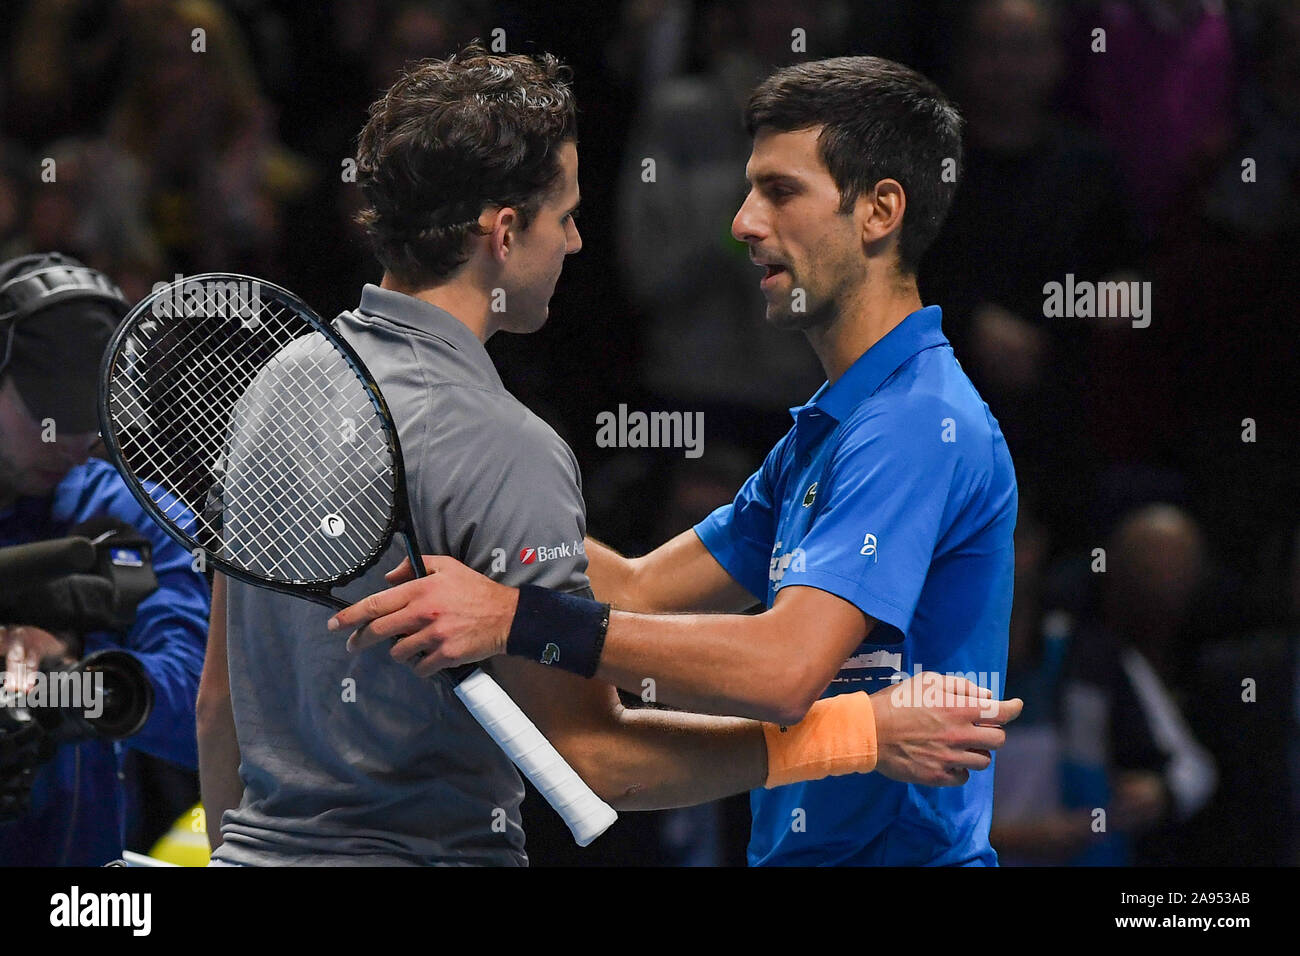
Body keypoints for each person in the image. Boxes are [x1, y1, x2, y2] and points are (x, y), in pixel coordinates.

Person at [199, 45, 1022, 867]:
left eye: (778, 191)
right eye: (568, 215)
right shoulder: (823, 433)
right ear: (507, 231)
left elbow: (783, 668)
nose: (740, 223)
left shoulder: (917, 424)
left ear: (881, 211)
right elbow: (633, 591)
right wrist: (464, 529)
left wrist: (518, 610)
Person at [0, 252, 209, 865]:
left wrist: (69, 686)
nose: (66, 440)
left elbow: (205, 708)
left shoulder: (133, 514)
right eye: (46, 407)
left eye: (85, 415)